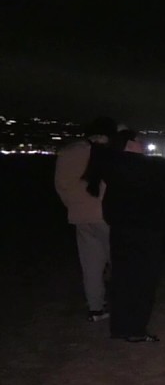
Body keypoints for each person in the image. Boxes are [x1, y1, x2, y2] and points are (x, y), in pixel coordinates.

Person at [94, 129, 165, 342]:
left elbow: (107, 202)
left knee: (122, 279)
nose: (142, 144)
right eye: (139, 140)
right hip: (147, 232)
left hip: (120, 231)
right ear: (128, 144)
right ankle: (136, 329)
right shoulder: (151, 166)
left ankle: (120, 327)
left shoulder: (111, 166)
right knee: (143, 282)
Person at [53, 116, 117, 322]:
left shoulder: (67, 152)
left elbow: (61, 186)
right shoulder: (102, 153)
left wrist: (73, 205)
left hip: (79, 215)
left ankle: (96, 308)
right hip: (105, 216)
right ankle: (123, 302)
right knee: (118, 260)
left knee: (91, 264)